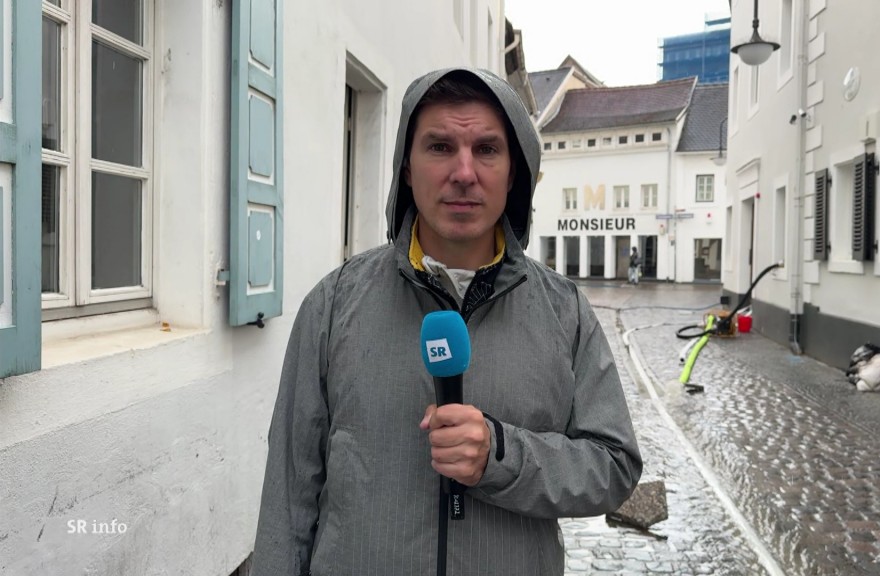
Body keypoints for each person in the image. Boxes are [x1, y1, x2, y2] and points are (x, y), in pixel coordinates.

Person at [251, 68, 642, 576]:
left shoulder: (564, 312)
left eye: (486, 149)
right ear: (407, 170)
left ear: (514, 171)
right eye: (439, 147)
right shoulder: (333, 304)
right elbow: (288, 494)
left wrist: (501, 454)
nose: (463, 172)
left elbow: (614, 465)